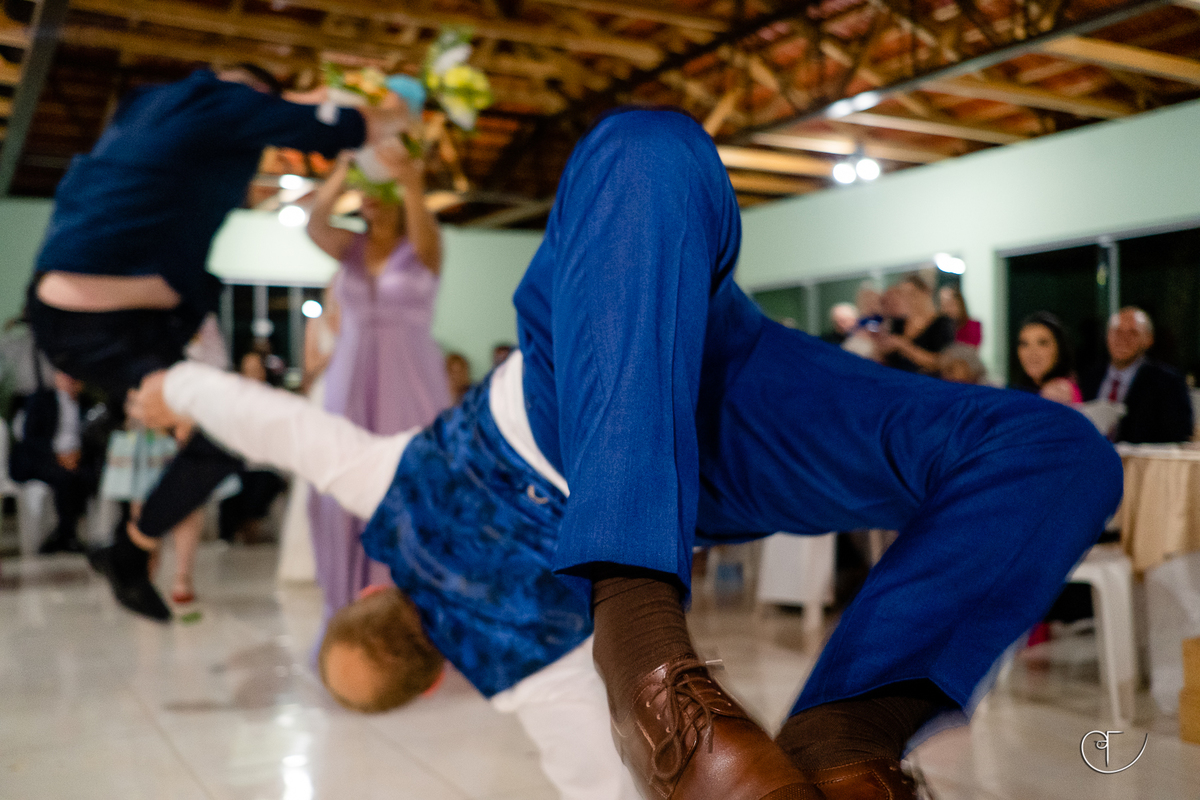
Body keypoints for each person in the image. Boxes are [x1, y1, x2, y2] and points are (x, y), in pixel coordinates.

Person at [131, 109, 1121, 800]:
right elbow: (272, 421)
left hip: (657, 434)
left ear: (435, 678)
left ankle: (643, 629)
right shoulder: (382, 491)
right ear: (369, 594)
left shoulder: (525, 675)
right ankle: (840, 749)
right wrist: (169, 386)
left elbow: (593, 780)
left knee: (1056, 452)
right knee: (643, 150)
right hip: (674, 418)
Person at [25, 62, 407, 621]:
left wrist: (306, 96)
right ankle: (131, 541)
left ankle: (131, 550)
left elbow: (283, 112)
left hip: (107, 313)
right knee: (226, 430)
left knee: (220, 438)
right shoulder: (223, 101)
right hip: (101, 322)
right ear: (254, 93)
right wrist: (398, 111)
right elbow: (340, 127)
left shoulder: (150, 102)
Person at [305, 146, 451, 626]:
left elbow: (422, 223)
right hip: (348, 379)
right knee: (344, 485)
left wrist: (408, 179)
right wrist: (343, 168)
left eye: (377, 191)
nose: (367, 200)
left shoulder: (423, 247)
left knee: (407, 488)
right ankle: (353, 613)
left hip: (409, 382)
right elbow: (313, 224)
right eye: (362, 193)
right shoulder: (349, 247)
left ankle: (414, 618)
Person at [1080, 307, 1193, 443]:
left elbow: (1178, 435)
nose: (1123, 339)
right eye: (1117, 332)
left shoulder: (1168, 383)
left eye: (1133, 333)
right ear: (1107, 336)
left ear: (1148, 340)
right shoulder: (1089, 377)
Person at [875, 274, 957, 373]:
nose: (909, 300)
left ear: (926, 292)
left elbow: (939, 362)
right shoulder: (897, 322)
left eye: (912, 294)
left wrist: (902, 345)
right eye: (904, 295)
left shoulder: (942, 323)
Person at [1010, 312, 1082, 405]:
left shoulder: (1056, 391)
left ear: (1059, 349)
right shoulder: (1030, 389)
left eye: (1042, 343)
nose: (1032, 353)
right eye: (1024, 344)